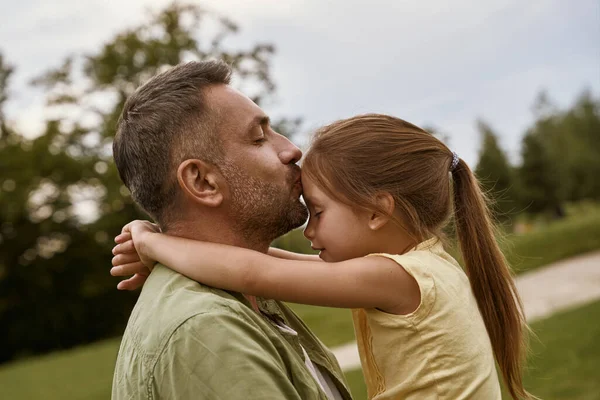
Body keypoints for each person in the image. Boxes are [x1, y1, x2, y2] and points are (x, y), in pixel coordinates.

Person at [112, 114, 534, 399]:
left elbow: (255, 273)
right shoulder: (423, 266)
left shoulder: (394, 278)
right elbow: (271, 263)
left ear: (376, 210)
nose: (308, 229)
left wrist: (152, 241)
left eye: (318, 212)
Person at [110, 60, 352, 400]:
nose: (291, 150)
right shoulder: (206, 330)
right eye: (258, 138)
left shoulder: (247, 292)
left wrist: (152, 242)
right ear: (203, 181)